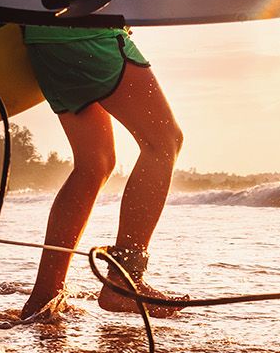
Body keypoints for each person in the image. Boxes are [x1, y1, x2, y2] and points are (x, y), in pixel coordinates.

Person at [17, 24, 190, 321]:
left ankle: (45, 296)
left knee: (94, 164)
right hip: (88, 35)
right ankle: (124, 278)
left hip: (43, 43)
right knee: (164, 141)